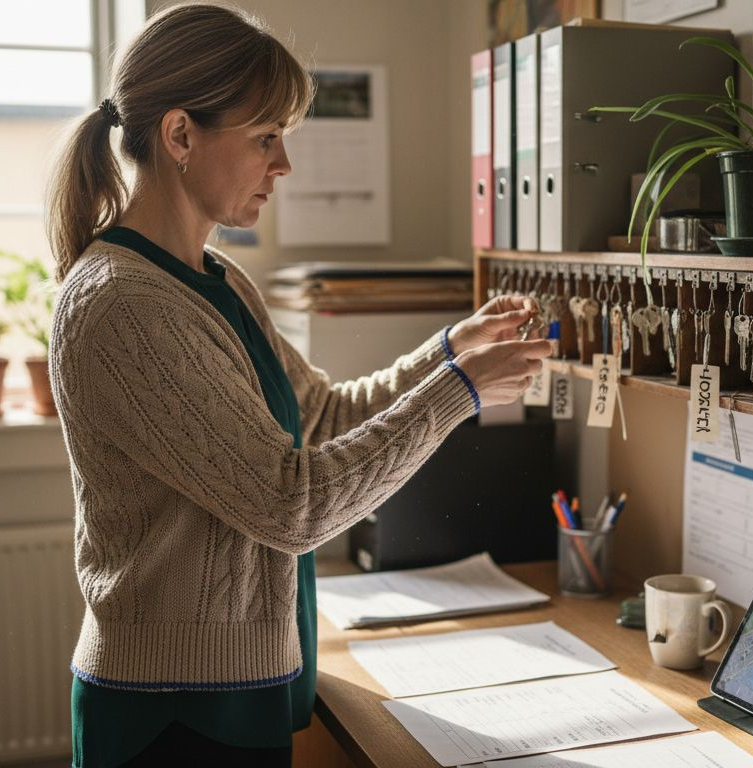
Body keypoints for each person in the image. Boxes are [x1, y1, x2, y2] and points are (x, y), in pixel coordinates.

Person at [45, 4, 551, 766]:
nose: (283, 165)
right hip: (170, 712)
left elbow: (319, 415)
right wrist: (457, 393)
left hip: (238, 685)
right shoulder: (121, 303)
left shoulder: (215, 278)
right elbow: (291, 504)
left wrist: (451, 348)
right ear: (180, 136)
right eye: (265, 138)